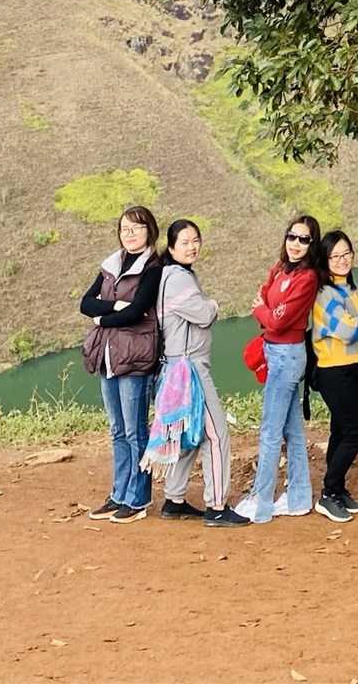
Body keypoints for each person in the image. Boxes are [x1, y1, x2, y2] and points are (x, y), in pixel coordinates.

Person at [151, 219, 247, 526]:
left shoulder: (170, 275)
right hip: (189, 369)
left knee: (187, 434)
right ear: (171, 247)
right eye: (185, 242)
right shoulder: (179, 279)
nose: (192, 247)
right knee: (216, 435)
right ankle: (217, 507)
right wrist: (213, 303)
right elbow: (205, 315)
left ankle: (174, 499)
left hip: (176, 366)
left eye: (196, 240)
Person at [79, 203, 163, 522]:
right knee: (117, 430)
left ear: (149, 231)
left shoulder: (153, 269)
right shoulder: (111, 265)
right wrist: (115, 306)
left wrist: (104, 317)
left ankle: (138, 498)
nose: (129, 234)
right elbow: (86, 304)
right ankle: (119, 494)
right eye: (124, 229)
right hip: (108, 357)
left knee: (135, 431)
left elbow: (138, 310)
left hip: (136, 356)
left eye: (136, 228)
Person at [241, 214, 322, 523]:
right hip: (276, 352)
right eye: (292, 237)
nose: (296, 244)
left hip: (287, 356)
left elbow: (276, 318)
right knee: (291, 431)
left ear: (311, 245)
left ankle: (260, 503)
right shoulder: (279, 269)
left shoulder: (307, 278)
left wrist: (265, 310)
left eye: (304, 239)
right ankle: (299, 498)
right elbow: (266, 304)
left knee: (270, 432)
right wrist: (267, 310)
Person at [309, 228, 358, 522]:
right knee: (357, 431)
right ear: (324, 261)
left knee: (341, 429)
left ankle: (337, 489)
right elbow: (350, 329)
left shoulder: (352, 289)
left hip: (354, 367)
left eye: (346, 254)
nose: (341, 260)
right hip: (333, 370)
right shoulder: (325, 295)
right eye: (334, 256)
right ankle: (327, 494)